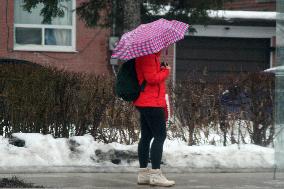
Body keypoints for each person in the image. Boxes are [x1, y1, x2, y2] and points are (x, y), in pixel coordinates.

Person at [134, 50, 175, 187]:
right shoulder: (148, 56)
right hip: (152, 103)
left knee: (146, 136)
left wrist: (161, 68)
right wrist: (166, 71)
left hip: (146, 102)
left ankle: (143, 174)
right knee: (160, 136)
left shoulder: (148, 56)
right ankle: (156, 174)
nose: (163, 46)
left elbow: (149, 76)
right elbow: (151, 78)